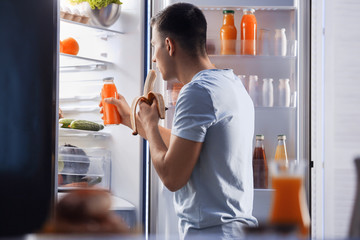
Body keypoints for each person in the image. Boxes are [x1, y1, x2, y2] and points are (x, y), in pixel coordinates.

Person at [101, 3, 257, 239]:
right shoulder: (229, 83)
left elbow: (172, 176)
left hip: (212, 233)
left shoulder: (196, 92)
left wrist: (152, 125)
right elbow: (183, 147)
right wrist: (129, 119)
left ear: (169, 45)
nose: (154, 58)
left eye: (154, 47)